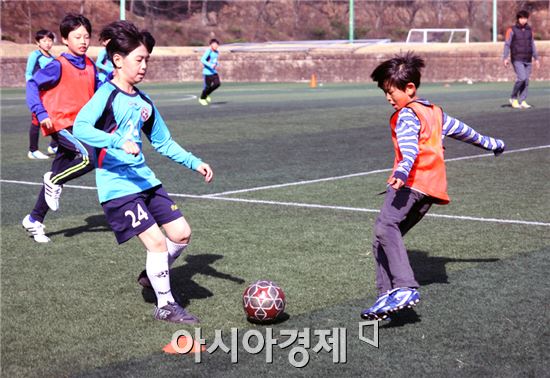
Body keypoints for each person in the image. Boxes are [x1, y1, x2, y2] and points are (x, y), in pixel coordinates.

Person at [73, 21, 214, 324]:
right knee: (157, 242)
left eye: (147, 59)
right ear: (118, 60)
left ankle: (153, 275)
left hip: (145, 180)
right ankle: (165, 305)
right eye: (139, 59)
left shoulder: (144, 101)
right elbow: (81, 127)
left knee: (182, 234)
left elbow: (162, 141)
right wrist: (116, 141)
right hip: (117, 186)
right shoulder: (106, 95)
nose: (144, 65)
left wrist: (194, 161)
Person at [361, 53, 506, 321]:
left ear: (410, 88)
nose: (388, 98)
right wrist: (490, 143)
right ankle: (386, 296)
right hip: (431, 189)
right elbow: (463, 130)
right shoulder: (434, 112)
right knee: (382, 238)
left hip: (411, 183)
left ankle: (403, 287)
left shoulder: (406, 115)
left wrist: (403, 170)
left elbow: (409, 147)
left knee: (384, 227)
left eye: (391, 92)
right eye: (385, 93)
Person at [22, 14, 100, 243]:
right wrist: (41, 112)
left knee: (59, 172)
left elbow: (99, 93)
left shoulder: (90, 65)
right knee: (89, 158)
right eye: (77, 37)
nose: (83, 41)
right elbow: (32, 85)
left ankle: (34, 219)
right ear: (65, 40)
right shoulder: (57, 65)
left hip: (81, 126)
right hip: (60, 123)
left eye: (86, 36)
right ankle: (53, 181)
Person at [25, 29, 58, 159]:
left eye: (50, 40)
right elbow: (28, 73)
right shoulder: (35, 55)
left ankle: (54, 146)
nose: (48, 43)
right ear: (38, 43)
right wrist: (32, 90)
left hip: (50, 94)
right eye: (44, 41)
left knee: (55, 118)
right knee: (36, 120)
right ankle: (33, 150)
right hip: (38, 93)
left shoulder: (54, 59)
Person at [502, 10, 540, 109]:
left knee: (526, 81)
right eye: (521, 18)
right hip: (517, 58)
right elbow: (507, 44)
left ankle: (522, 100)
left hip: (528, 58)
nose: (523, 20)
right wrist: (505, 57)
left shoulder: (529, 30)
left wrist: (536, 58)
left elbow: (532, 44)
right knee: (521, 78)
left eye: (525, 18)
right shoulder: (511, 30)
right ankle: (513, 98)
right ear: (518, 19)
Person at [198, 38, 221, 106]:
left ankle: (206, 94)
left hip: (213, 72)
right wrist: (210, 65)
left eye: (217, 45)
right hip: (207, 72)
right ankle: (202, 98)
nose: (215, 46)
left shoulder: (217, 52)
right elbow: (202, 60)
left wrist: (216, 64)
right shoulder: (209, 51)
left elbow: (214, 60)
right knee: (207, 87)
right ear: (211, 45)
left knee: (217, 84)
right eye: (214, 44)